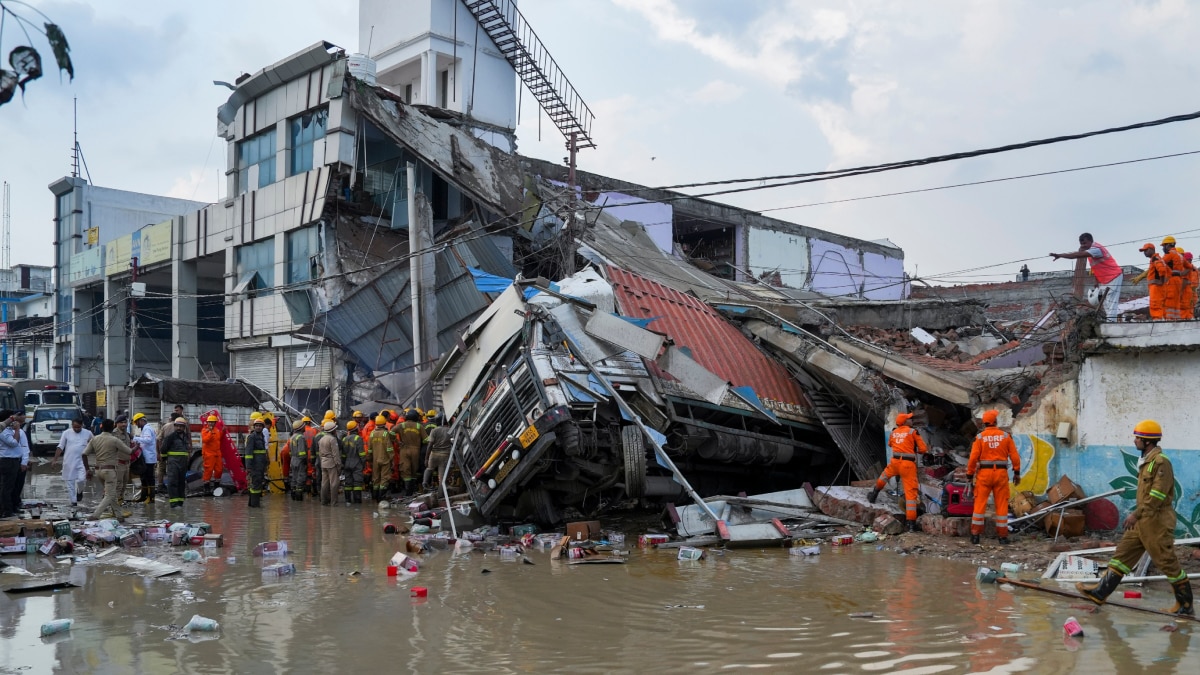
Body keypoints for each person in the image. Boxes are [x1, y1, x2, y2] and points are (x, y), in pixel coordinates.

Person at [1077, 420, 1193, 616]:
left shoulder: (1161, 462)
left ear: (1147, 441)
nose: (1135, 441)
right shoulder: (1146, 461)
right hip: (1142, 522)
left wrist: (1135, 514)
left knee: (1167, 561)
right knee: (1123, 555)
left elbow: (1157, 495)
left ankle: (1185, 606)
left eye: (1137, 438)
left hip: (1156, 522)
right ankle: (1100, 592)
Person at [966, 409, 1021, 545]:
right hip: (1001, 475)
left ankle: (975, 536)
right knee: (1001, 505)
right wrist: (1017, 473)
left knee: (979, 505)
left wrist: (969, 474)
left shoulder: (979, 438)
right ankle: (1002, 537)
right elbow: (1014, 456)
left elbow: (973, 458)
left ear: (984, 423)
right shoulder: (1005, 436)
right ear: (995, 422)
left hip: (984, 475)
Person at [868, 412, 928, 532]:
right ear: (905, 422)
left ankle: (874, 494)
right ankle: (911, 524)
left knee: (884, 476)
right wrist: (913, 448)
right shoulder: (912, 432)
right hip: (907, 465)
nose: (912, 421)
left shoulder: (894, 432)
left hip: (895, 462)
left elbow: (890, 444)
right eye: (910, 419)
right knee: (910, 494)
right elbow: (923, 449)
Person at [1050, 232, 1124, 320]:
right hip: (1104, 279)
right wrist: (1097, 282)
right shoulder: (1090, 252)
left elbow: (1076, 255)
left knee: (1111, 303)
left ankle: (1111, 325)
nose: (1083, 246)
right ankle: (1110, 321)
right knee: (1106, 303)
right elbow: (1096, 268)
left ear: (1090, 241)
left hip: (1114, 276)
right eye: (1081, 244)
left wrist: (1060, 255)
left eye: (1084, 243)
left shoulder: (1096, 249)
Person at [81, 419, 133, 520]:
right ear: (113, 427)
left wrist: (87, 469)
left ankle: (119, 515)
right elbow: (129, 451)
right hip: (109, 471)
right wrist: (137, 447)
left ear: (101, 427)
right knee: (110, 495)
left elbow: (84, 454)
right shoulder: (114, 440)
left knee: (112, 493)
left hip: (98, 471)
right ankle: (95, 515)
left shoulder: (95, 439)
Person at [52, 417, 93, 507]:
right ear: (72, 426)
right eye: (75, 427)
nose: (76, 429)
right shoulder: (66, 433)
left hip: (82, 461)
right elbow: (60, 446)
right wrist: (55, 460)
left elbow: (94, 444)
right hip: (69, 461)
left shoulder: (88, 433)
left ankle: (80, 491)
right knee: (70, 482)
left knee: (81, 480)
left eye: (78, 427)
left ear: (82, 425)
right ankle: (73, 502)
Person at [0, 411, 31, 517]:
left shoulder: (11, 430)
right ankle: (6, 510)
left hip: (14, 460)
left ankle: (11, 507)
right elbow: (14, 443)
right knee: (6, 487)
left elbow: (24, 447)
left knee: (13, 486)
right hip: (8, 461)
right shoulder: (4, 431)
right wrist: (17, 430)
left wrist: (24, 461)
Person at [161, 417, 192, 509]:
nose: (179, 428)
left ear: (184, 427)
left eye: (181, 426)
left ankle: (180, 502)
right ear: (174, 426)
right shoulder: (170, 437)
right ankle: (174, 504)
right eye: (177, 426)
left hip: (183, 463)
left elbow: (187, 450)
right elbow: (163, 449)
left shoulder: (185, 437)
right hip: (173, 462)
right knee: (173, 482)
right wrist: (165, 460)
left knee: (181, 482)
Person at [1137, 243, 1171, 320]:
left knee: (1155, 305)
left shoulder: (1155, 258)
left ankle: (1157, 320)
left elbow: (1162, 270)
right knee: (1159, 305)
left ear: (1152, 249)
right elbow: (1167, 272)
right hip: (1157, 287)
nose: (1144, 252)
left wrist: (1161, 282)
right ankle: (1160, 320)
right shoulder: (1157, 258)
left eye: (1146, 250)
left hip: (1156, 287)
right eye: (1143, 251)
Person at [396, 409, 425, 497]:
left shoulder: (402, 425)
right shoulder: (419, 426)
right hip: (416, 450)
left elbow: (391, 433)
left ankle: (408, 492)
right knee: (413, 470)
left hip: (404, 449)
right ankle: (412, 492)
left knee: (405, 470)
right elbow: (426, 439)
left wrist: (397, 442)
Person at [131, 412, 158, 503]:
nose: (137, 425)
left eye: (137, 422)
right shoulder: (145, 429)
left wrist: (135, 438)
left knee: (149, 478)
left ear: (141, 420)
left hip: (149, 458)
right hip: (146, 457)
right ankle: (143, 496)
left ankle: (151, 498)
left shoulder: (147, 429)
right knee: (144, 477)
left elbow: (148, 440)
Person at [242, 417, 268, 508]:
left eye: (260, 426)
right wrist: (248, 467)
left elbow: (263, 452)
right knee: (255, 484)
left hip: (260, 465)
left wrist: (266, 463)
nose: (258, 427)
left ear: (262, 427)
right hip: (255, 465)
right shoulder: (252, 437)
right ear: (254, 427)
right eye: (256, 426)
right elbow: (248, 453)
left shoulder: (262, 436)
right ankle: (255, 505)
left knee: (257, 483)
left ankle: (252, 504)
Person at [1160, 236, 1186, 320]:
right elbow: (1188, 267)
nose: (1163, 248)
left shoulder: (1169, 254)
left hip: (1171, 280)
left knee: (1169, 301)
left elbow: (1160, 263)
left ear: (1168, 245)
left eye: (1163, 246)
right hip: (1178, 280)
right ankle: (1175, 320)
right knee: (1176, 302)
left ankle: (1169, 320)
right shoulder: (1180, 256)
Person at [316, 421, 341, 506]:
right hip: (331, 464)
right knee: (334, 483)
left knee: (324, 483)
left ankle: (324, 501)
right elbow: (336, 454)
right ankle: (334, 502)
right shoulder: (332, 439)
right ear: (333, 430)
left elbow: (319, 453)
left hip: (323, 463)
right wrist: (339, 466)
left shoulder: (321, 439)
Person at [368, 415, 393, 501]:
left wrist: (370, 459)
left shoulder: (372, 433)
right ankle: (381, 497)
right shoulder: (385, 433)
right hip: (385, 459)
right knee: (384, 478)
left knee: (375, 479)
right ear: (384, 423)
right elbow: (389, 448)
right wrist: (392, 459)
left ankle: (374, 497)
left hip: (375, 460)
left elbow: (369, 449)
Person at [342, 420, 366, 504]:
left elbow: (343, 454)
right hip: (356, 464)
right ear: (356, 428)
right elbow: (362, 454)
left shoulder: (344, 439)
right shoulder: (358, 439)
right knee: (357, 483)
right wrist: (364, 464)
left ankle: (347, 500)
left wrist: (343, 463)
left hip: (347, 464)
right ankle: (357, 501)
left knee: (348, 483)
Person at [424, 417, 451, 490]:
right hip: (445, 455)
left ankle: (425, 482)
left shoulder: (434, 430)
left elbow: (430, 445)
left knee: (429, 469)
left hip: (434, 455)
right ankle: (441, 495)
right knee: (442, 480)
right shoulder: (450, 430)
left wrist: (426, 458)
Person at [286, 420, 309, 501]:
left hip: (293, 459)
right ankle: (299, 498)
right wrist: (305, 461)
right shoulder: (301, 437)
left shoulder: (292, 437)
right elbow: (302, 452)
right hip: (300, 460)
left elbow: (290, 450)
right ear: (301, 427)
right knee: (301, 478)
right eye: (303, 426)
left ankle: (293, 495)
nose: (304, 427)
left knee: (294, 478)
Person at [200, 415, 224, 493]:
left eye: (213, 422)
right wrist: (210, 432)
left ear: (215, 423)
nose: (211, 423)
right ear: (207, 422)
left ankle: (216, 485)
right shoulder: (205, 430)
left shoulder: (217, 430)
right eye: (210, 422)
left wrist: (223, 432)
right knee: (208, 470)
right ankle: (206, 487)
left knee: (219, 470)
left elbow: (219, 438)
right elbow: (205, 440)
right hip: (208, 453)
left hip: (217, 453)